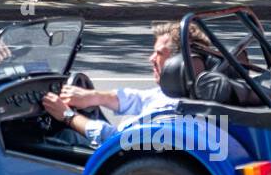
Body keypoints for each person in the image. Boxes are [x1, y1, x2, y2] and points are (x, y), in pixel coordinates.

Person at [40, 21, 194, 146]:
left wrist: (67, 115)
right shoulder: (183, 93)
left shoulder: (171, 108)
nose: (151, 59)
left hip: (129, 162)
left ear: (179, 63)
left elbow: (114, 138)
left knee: (61, 139)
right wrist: (94, 97)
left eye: (159, 53)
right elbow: (139, 98)